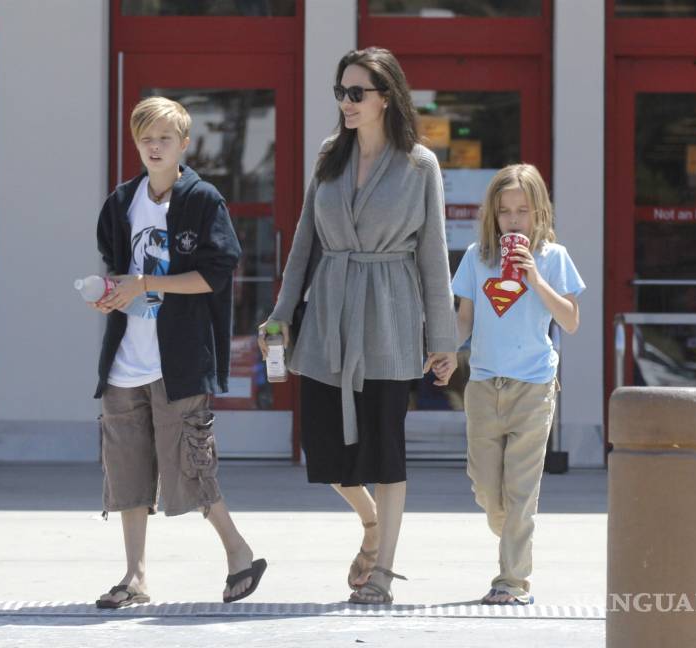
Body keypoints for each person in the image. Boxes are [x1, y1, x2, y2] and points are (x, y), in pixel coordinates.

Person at [258, 47, 457, 605]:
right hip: (329, 313)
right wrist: (282, 315)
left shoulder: (419, 165)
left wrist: (443, 340)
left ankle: (383, 571)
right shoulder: (330, 155)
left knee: (385, 450)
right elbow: (305, 243)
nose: (345, 103)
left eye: (356, 93)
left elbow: (434, 256)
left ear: (386, 97)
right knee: (324, 449)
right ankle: (371, 523)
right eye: (340, 92)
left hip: (390, 316)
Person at [91, 96, 266, 608]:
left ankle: (238, 551)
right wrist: (110, 293)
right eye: (145, 137)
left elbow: (214, 275)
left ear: (184, 143)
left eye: (165, 138)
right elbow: (117, 268)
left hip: (180, 358)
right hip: (125, 358)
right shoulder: (122, 201)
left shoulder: (202, 200)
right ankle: (135, 577)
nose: (155, 146)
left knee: (191, 464)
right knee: (126, 471)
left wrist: (146, 282)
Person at [440, 163, 585, 605]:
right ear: (492, 214)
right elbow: (464, 318)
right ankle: (514, 535)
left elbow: (570, 321)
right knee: (487, 489)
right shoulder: (476, 257)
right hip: (484, 384)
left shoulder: (554, 258)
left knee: (522, 491)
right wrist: (446, 352)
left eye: (523, 210)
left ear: (539, 211)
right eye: (505, 211)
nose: (514, 220)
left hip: (534, 386)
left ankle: (512, 580)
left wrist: (535, 278)